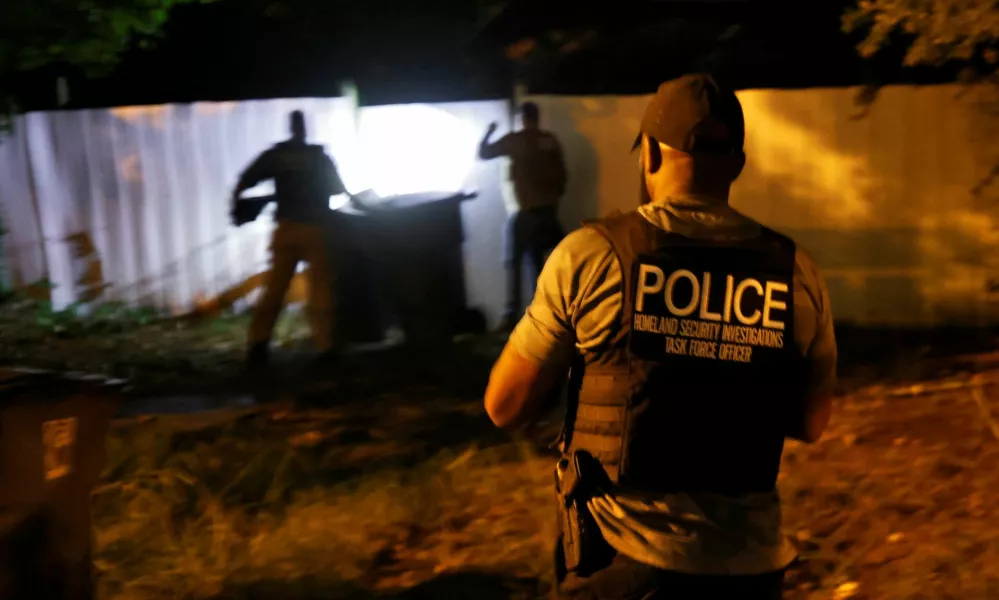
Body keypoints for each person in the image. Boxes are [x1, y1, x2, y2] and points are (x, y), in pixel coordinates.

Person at [483, 74, 837, 599]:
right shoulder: (795, 272)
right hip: (751, 569)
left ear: (648, 153)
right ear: (738, 163)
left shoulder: (592, 255)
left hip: (624, 564)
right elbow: (810, 422)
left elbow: (505, 404)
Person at [231, 110, 353, 370]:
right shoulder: (318, 157)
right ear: (305, 129)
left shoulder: (277, 156)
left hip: (287, 229)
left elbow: (244, 180)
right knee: (321, 289)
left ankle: (258, 346)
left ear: (290, 128)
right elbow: (338, 189)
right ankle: (326, 348)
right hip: (317, 229)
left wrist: (239, 204)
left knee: (275, 289)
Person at [479, 101, 568, 333]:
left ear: (523, 118)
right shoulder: (550, 140)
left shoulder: (515, 140)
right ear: (538, 117)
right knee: (538, 265)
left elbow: (484, 153)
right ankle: (543, 318)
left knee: (515, 263)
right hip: (547, 213)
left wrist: (488, 131)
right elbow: (562, 177)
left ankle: (512, 316)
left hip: (525, 213)